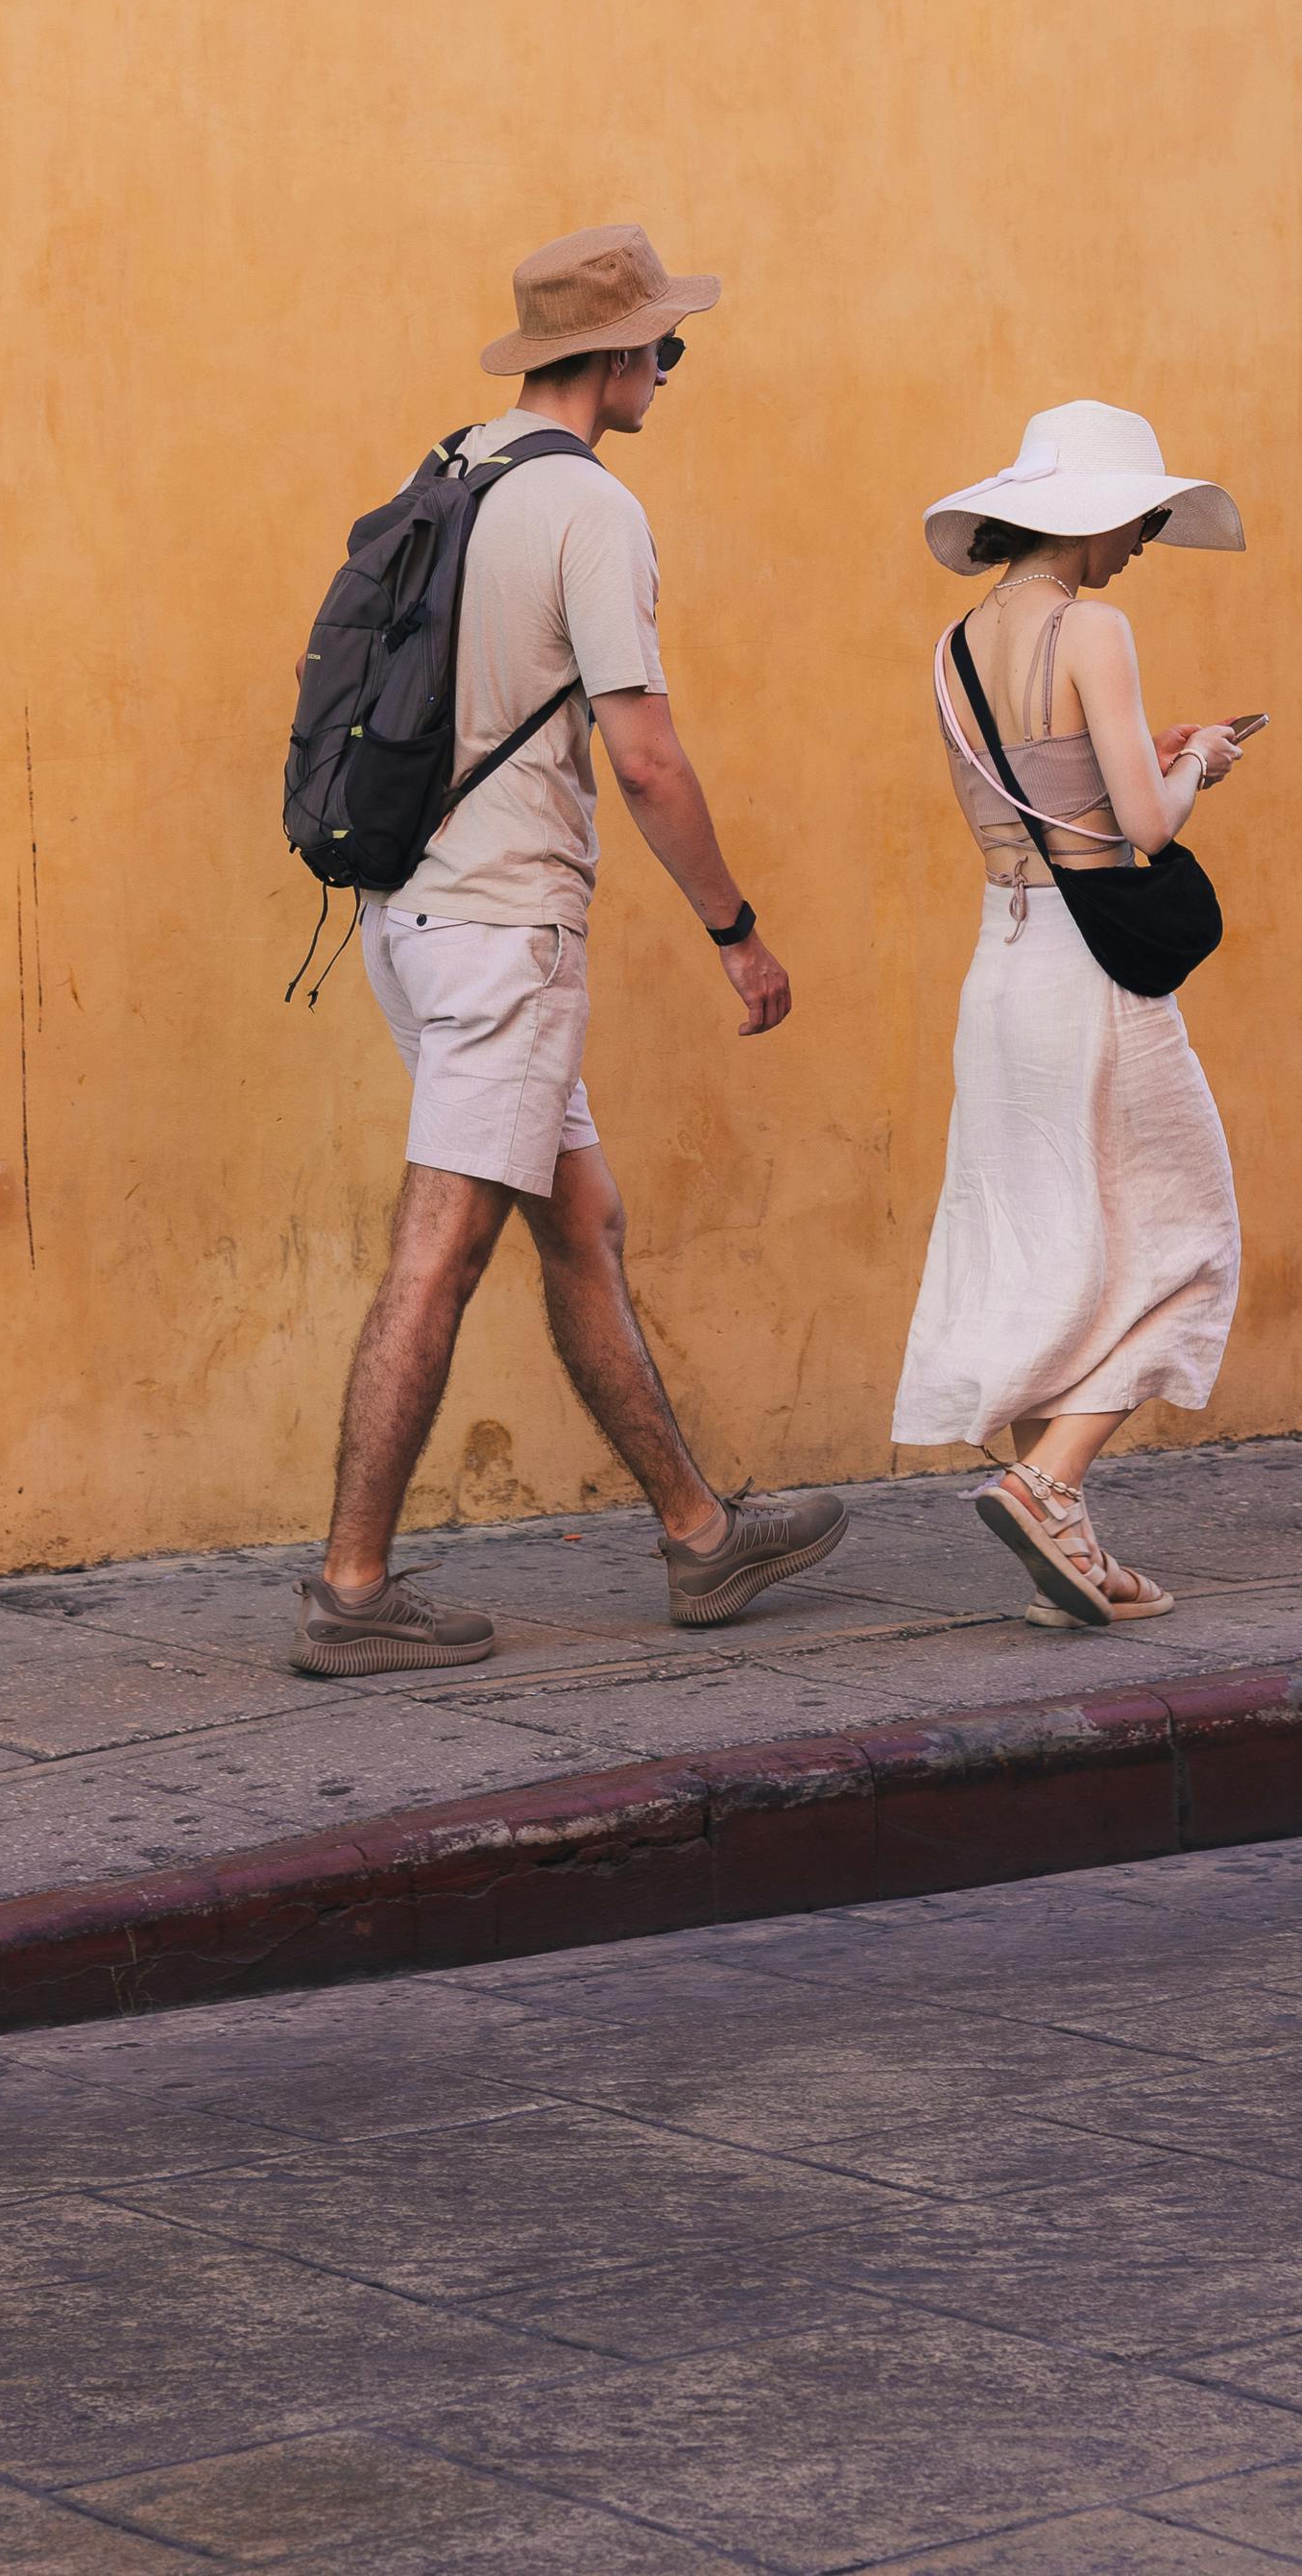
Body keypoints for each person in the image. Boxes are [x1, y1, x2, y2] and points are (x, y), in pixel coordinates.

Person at [291, 222, 849, 1676]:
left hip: (409, 921)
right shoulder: (589, 508)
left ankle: (700, 1537)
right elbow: (646, 753)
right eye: (662, 347)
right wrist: (737, 932)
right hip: (502, 937)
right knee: (443, 1252)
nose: (669, 366)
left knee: (580, 1225)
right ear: (608, 358)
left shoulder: (453, 471)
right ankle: (353, 1589)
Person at [892, 400, 1248, 1629]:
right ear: (1087, 514)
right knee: (1192, 1239)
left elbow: (1049, 792)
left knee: (1058, 1241)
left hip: (1000, 966)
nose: (1147, 534)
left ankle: (1073, 1551)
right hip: (1088, 978)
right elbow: (1142, 830)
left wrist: (1140, 760)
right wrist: (1199, 761)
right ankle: (1047, 1479)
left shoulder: (951, 645)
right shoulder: (1094, 623)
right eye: (1141, 514)